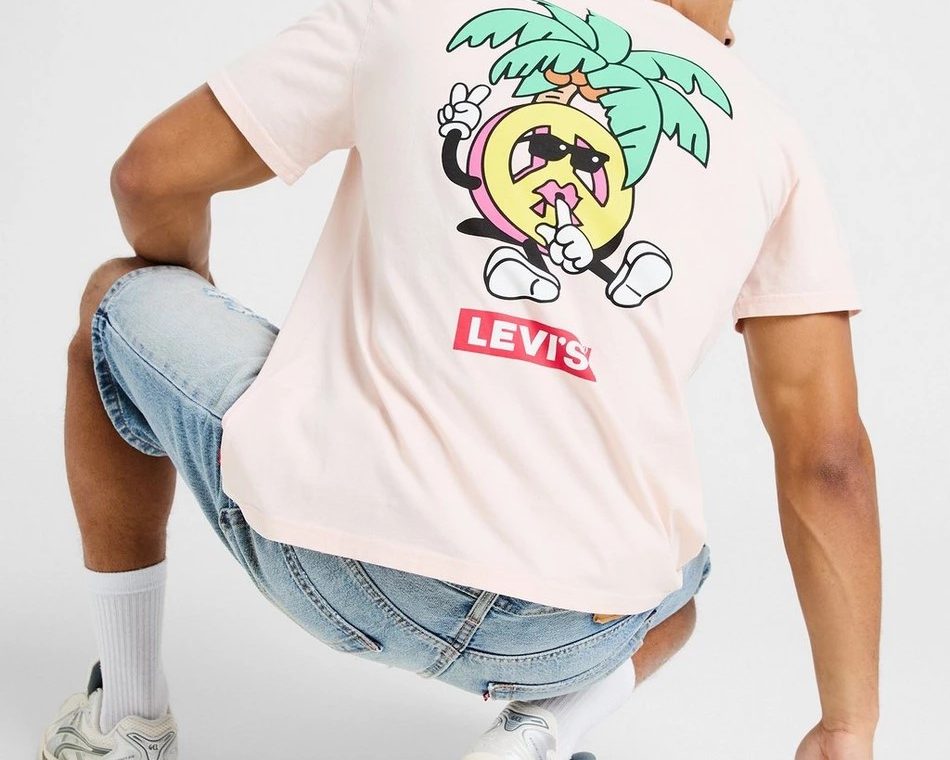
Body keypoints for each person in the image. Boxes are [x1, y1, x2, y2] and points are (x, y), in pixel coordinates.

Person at [38, 0, 881, 758]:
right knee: (674, 584)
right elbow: (828, 461)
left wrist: (183, 298)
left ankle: (128, 719)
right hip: (566, 633)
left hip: (328, 561)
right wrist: (848, 726)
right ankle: (541, 734)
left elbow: (148, 175)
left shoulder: (417, 12)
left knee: (117, 300)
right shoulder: (772, 137)